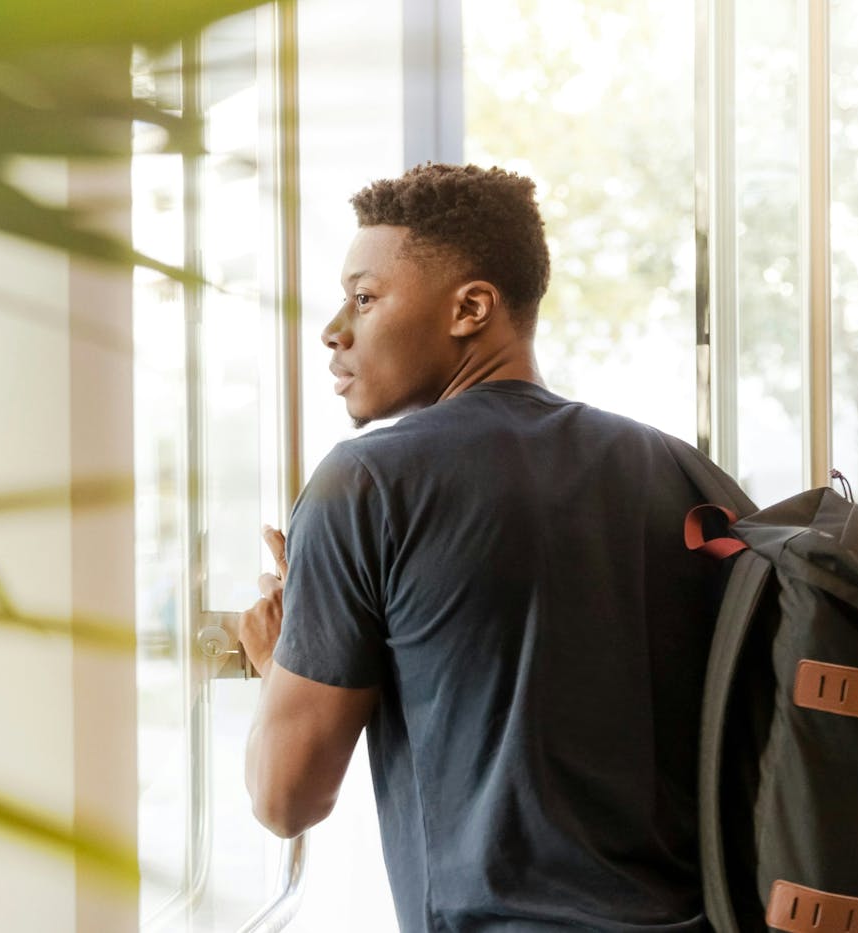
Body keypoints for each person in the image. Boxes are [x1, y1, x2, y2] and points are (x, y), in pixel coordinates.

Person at [237, 163, 721, 931]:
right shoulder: (677, 469)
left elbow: (284, 798)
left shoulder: (365, 481)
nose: (335, 328)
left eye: (365, 297)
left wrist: (280, 657)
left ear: (470, 307)